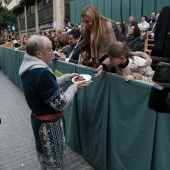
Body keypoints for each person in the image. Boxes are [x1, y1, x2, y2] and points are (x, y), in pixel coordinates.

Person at [19, 34, 91, 170]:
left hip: (39, 122)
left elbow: (47, 87)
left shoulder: (30, 68)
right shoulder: (41, 72)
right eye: (50, 49)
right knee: (54, 164)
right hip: (49, 127)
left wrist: (67, 78)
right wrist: (75, 87)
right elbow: (61, 103)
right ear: (39, 54)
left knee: (45, 161)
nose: (54, 52)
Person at [79, 5, 122, 74]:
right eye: (83, 21)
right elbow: (86, 50)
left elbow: (119, 53)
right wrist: (86, 55)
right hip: (97, 69)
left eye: (87, 21)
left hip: (113, 71)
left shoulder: (110, 27)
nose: (85, 24)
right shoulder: (87, 30)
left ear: (95, 19)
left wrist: (104, 65)